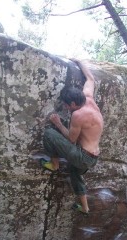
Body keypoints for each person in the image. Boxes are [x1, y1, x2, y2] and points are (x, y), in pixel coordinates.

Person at [40, 59, 104, 215]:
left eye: (67, 105)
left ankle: (54, 165)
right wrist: (79, 61)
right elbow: (90, 79)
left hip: (82, 156)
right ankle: (85, 208)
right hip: (93, 157)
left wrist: (58, 124)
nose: (66, 107)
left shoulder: (78, 115)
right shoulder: (88, 97)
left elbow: (71, 140)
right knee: (75, 173)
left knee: (49, 133)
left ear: (74, 103)